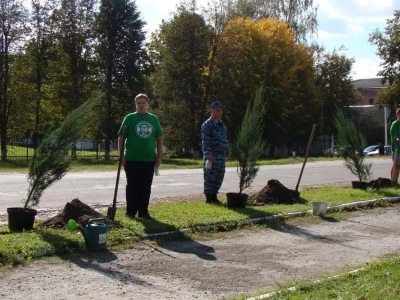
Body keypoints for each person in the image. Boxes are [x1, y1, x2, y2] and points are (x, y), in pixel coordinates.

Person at [118, 93, 163, 218]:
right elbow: (121, 136)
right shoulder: (130, 118)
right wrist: (121, 155)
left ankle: (143, 211)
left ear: (148, 104)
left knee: (145, 186)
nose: (141, 105)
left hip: (148, 159)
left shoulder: (153, 119)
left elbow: (159, 137)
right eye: (138, 103)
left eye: (143, 102)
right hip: (131, 159)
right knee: (132, 186)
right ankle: (130, 211)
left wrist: (159, 156)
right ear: (135, 104)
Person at [201, 101, 229, 204]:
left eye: (221, 110)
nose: (220, 112)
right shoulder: (207, 125)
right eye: (218, 110)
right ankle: (209, 198)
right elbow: (205, 140)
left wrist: (227, 152)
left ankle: (214, 196)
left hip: (221, 155)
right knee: (210, 177)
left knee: (219, 176)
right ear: (212, 111)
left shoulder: (221, 125)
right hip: (212, 155)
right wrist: (208, 154)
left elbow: (225, 139)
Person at [390, 108, 400, 183]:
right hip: (397, 149)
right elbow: (396, 137)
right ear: (397, 115)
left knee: (398, 165)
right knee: (396, 165)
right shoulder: (394, 125)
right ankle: (393, 181)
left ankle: (395, 181)